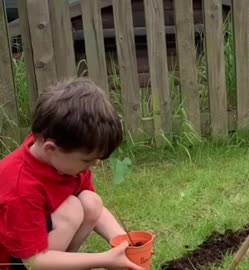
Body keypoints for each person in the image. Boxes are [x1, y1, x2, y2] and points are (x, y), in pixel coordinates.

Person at [0, 78, 143, 270]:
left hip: (41, 247)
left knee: (91, 202)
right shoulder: (20, 187)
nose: (92, 165)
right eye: (87, 160)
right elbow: (34, 261)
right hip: (17, 261)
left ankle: (62, 264)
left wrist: (124, 243)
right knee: (71, 210)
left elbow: (96, 211)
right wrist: (104, 259)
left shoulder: (63, 161)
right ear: (51, 148)